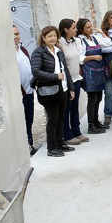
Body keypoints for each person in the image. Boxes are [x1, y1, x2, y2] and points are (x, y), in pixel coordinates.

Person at [30, 26, 76, 157]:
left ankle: (60, 143)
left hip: (63, 89)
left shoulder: (58, 51)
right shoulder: (38, 52)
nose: (53, 38)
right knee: (53, 119)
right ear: (43, 38)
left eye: (55, 35)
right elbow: (36, 71)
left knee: (61, 118)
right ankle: (51, 148)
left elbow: (65, 70)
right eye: (49, 36)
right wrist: (55, 77)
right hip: (48, 91)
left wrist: (71, 88)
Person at [58, 19, 87, 145]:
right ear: (66, 29)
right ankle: (67, 135)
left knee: (75, 107)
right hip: (67, 81)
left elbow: (80, 57)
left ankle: (77, 131)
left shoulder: (76, 41)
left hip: (77, 78)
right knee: (67, 109)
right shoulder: (60, 43)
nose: (76, 30)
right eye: (73, 28)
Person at [77, 18, 108, 135]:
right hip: (89, 72)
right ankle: (91, 125)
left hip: (99, 71)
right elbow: (80, 58)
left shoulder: (94, 38)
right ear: (82, 29)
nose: (90, 29)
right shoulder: (80, 40)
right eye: (88, 27)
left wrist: (101, 32)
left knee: (99, 98)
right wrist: (93, 57)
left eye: (91, 26)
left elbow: (108, 43)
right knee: (92, 99)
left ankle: (96, 121)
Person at [13, 26, 37, 155]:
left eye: (17, 34)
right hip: (19, 93)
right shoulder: (8, 53)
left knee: (29, 119)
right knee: (22, 121)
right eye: (13, 34)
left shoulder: (23, 49)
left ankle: (30, 144)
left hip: (29, 90)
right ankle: (25, 147)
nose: (15, 37)